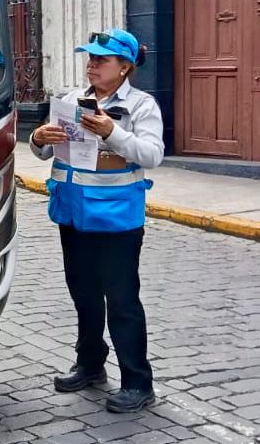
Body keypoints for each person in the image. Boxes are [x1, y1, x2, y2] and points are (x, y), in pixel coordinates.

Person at [30, 28, 164, 413]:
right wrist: (39, 137)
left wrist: (113, 132)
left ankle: (138, 382)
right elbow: (44, 152)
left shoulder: (142, 106)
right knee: (83, 294)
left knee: (121, 300)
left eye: (100, 60)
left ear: (124, 67)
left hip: (117, 218)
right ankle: (90, 365)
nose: (91, 64)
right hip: (72, 212)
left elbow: (153, 154)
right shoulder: (73, 100)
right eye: (89, 58)